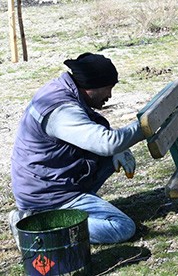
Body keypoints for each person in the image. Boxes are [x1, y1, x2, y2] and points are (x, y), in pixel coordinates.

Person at [9, 53, 144, 244]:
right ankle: (39, 225)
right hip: (47, 195)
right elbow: (107, 143)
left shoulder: (64, 91)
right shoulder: (61, 110)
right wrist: (145, 126)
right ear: (91, 87)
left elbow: (99, 137)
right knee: (121, 227)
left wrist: (117, 149)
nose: (110, 96)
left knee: (112, 153)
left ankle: (74, 209)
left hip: (52, 179)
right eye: (108, 89)